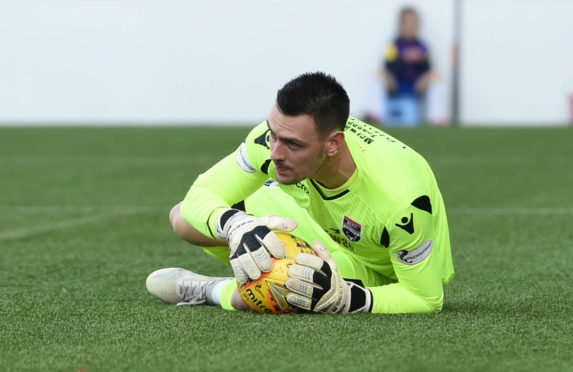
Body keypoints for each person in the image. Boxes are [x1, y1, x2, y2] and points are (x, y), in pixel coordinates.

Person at [146, 72, 454, 314]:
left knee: (296, 287)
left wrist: (346, 298)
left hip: (383, 271)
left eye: (293, 144)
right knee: (184, 218)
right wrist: (235, 225)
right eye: (274, 135)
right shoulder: (273, 141)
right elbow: (202, 195)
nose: (276, 153)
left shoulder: (402, 201)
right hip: (323, 229)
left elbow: (425, 299)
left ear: (333, 144)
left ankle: (213, 291)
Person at [366, 6, 447, 126]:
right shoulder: (394, 45)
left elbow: (428, 68)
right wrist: (404, 59)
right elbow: (389, 67)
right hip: (396, 84)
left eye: (413, 23)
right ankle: (376, 115)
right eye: (407, 23)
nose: (411, 26)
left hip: (415, 86)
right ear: (401, 24)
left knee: (437, 76)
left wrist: (420, 60)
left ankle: (436, 117)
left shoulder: (423, 46)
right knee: (378, 74)